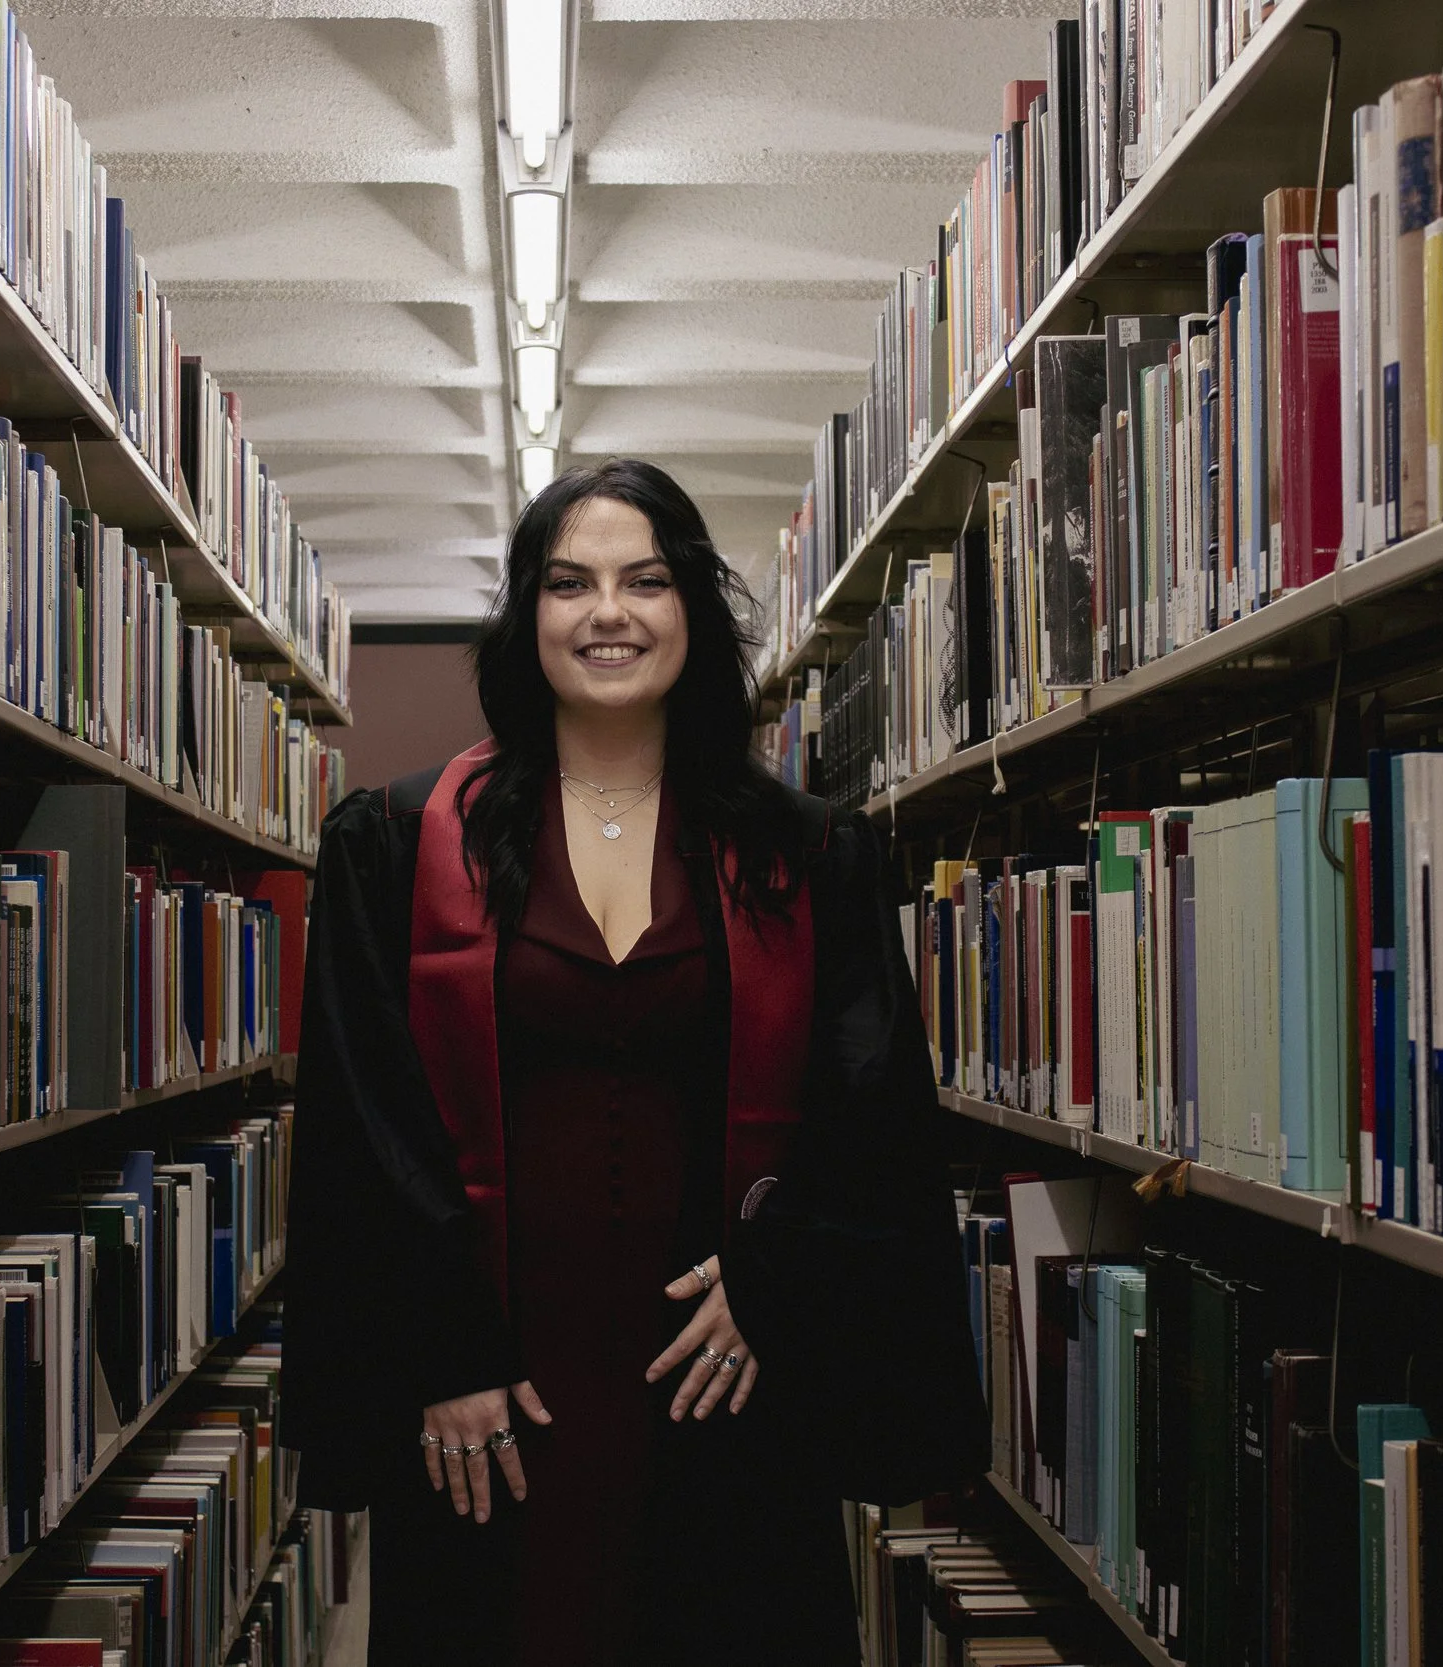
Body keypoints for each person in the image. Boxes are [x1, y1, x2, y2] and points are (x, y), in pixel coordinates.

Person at [281, 458, 986, 1666]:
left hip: (720, 1368)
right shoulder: (395, 844)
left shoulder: (804, 856)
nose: (607, 611)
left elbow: (868, 1111)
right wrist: (444, 1352)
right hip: (490, 1377)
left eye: (644, 580)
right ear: (527, 616)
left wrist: (775, 1287)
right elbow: (364, 1114)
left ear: (693, 614)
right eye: (569, 583)